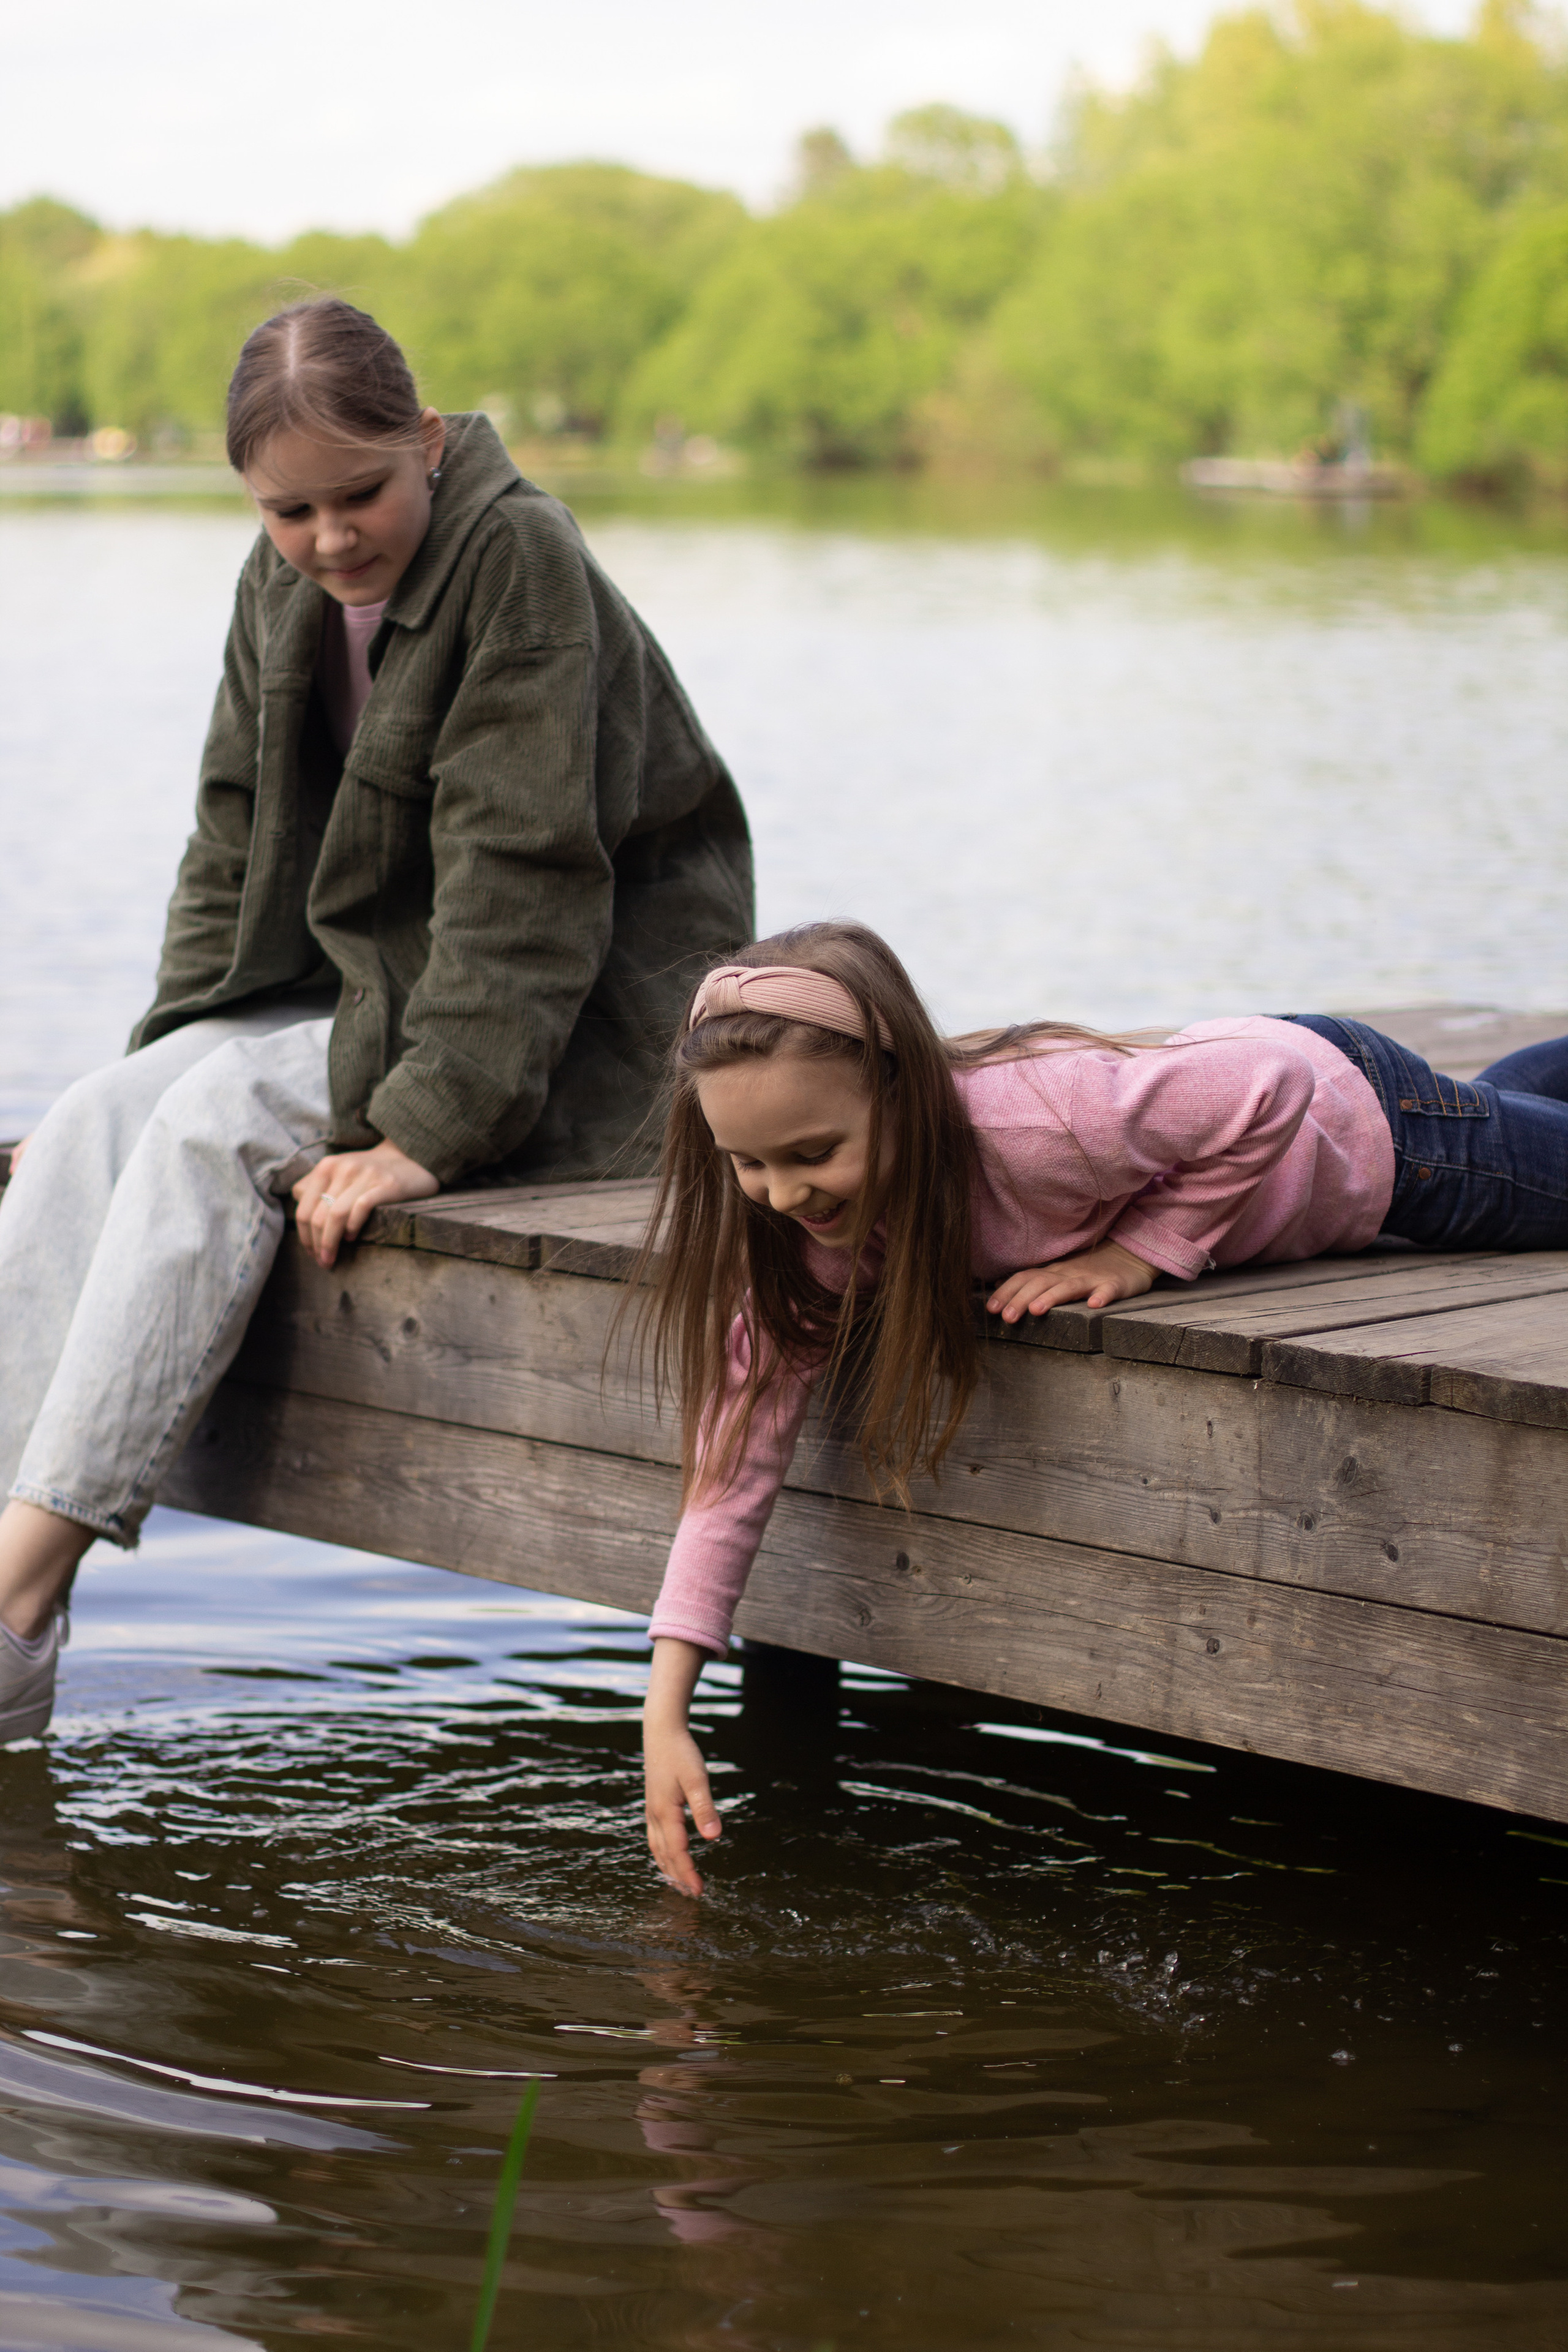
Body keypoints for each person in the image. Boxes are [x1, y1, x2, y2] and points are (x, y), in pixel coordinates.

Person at [0, 296, 752, 1741]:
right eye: (292, 511)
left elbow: (528, 883)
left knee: (217, 1127)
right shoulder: (272, 584)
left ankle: (21, 1605)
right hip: (385, 972)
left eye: (362, 494)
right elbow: (229, 845)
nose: (333, 538)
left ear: (426, 440)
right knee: (109, 1113)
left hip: (579, 1004)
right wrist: (153, 1060)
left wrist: (428, 1133)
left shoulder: (517, 556)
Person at [637, 920, 1568, 1893]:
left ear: (902, 1090)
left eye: (813, 1153)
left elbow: (1271, 1090)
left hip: (1375, 1141)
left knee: (1486, 1134)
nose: (783, 1195)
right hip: (1330, 1105)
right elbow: (731, 1468)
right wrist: (665, 1712)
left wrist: (1139, 1253)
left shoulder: (1031, 1122)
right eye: (748, 1164)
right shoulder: (809, 1248)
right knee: (1504, 1110)